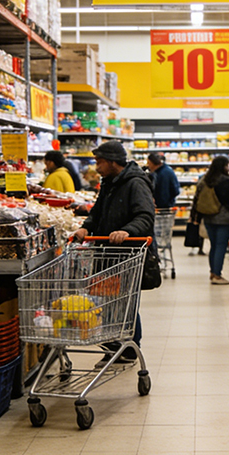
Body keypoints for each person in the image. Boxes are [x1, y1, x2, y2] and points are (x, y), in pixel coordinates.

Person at [73, 140, 155, 364]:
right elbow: (97, 212)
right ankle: (116, 346)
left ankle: (129, 349)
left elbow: (146, 216)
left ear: (112, 162)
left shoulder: (136, 183)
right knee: (111, 301)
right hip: (109, 254)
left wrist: (126, 231)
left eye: (100, 162)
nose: (96, 167)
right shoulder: (109, 183)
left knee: (125, 303)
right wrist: (86, 226)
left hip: (128, 255)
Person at [194, 155, 229, 285]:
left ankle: (213, 272)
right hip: (223, 217)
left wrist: (196, 218)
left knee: (214, 246)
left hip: (208, 217)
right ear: (223, 166)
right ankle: (217, 274)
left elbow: (197, 199)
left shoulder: (205, 180)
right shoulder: (226, 181)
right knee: (220, 246)